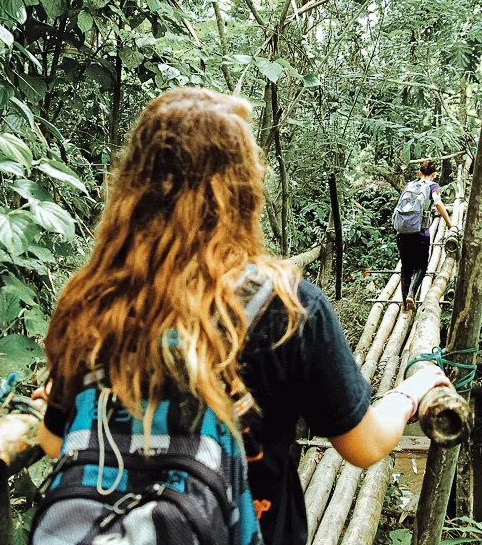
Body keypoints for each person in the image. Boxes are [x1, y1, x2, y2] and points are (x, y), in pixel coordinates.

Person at [33, 88, 452, 545]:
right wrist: (410, 394)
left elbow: (57, 444)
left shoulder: (92, 302)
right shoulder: (288, 307)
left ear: (132, 186)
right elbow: (364, 446)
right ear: (243, 190)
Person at [395, 160, 454, 312]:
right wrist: (449, 223)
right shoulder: (433, 186)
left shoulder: (409, 185)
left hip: (402, 233)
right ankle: (412, 295)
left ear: (419, 173)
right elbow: (439, 204)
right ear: (434, 175)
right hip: (420, 234)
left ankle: (404, 306)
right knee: (421, 266)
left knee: (406, 268)